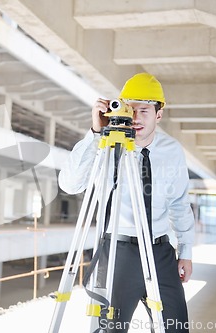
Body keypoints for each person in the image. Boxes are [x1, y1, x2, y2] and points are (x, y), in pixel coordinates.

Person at [58, 73, 194, 333]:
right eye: (131, 109)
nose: (136, 117)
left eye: (144, 110)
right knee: (110, 329)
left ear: (159, 114)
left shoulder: (172, 149)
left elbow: (179, 202)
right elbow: (70, 184)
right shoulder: (106, 145)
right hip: (117, 253)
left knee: (176, 328)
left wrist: (185, 252)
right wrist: (96, 134)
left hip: (160, 253)